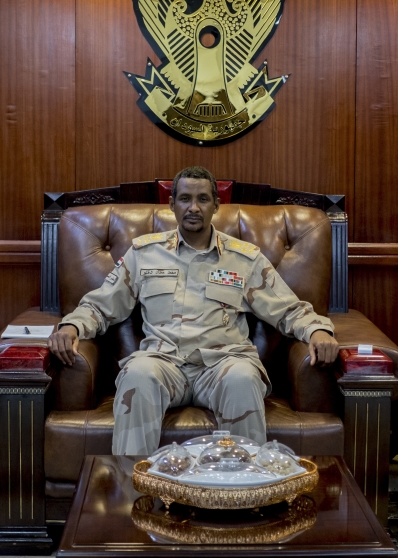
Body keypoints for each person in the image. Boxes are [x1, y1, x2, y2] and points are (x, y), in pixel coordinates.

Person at [49, 166, 339, 455]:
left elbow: (287, 309)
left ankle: (242, 493)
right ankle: (133, 491)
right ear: (172, 204)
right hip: (162, 363)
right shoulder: (144, 254)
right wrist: (72, 327)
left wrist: (317, 331)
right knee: (137, 374)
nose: (194, 207)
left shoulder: (244, 258)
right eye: (185, 198)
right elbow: (101, 305)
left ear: (216, 205)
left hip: (222, 364)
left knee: (243, 378)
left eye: (203, 199)